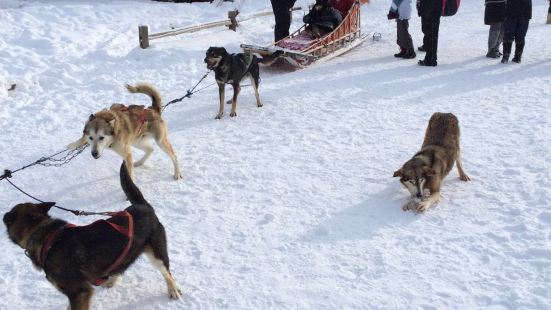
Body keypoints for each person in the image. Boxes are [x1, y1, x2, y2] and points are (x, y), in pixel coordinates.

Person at [417, 0, 442, 66]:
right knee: (428, 32)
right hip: (427, 9)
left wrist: (426, 12)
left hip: (432, 10)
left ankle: (431, 60)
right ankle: (427, 47)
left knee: (432, 35)